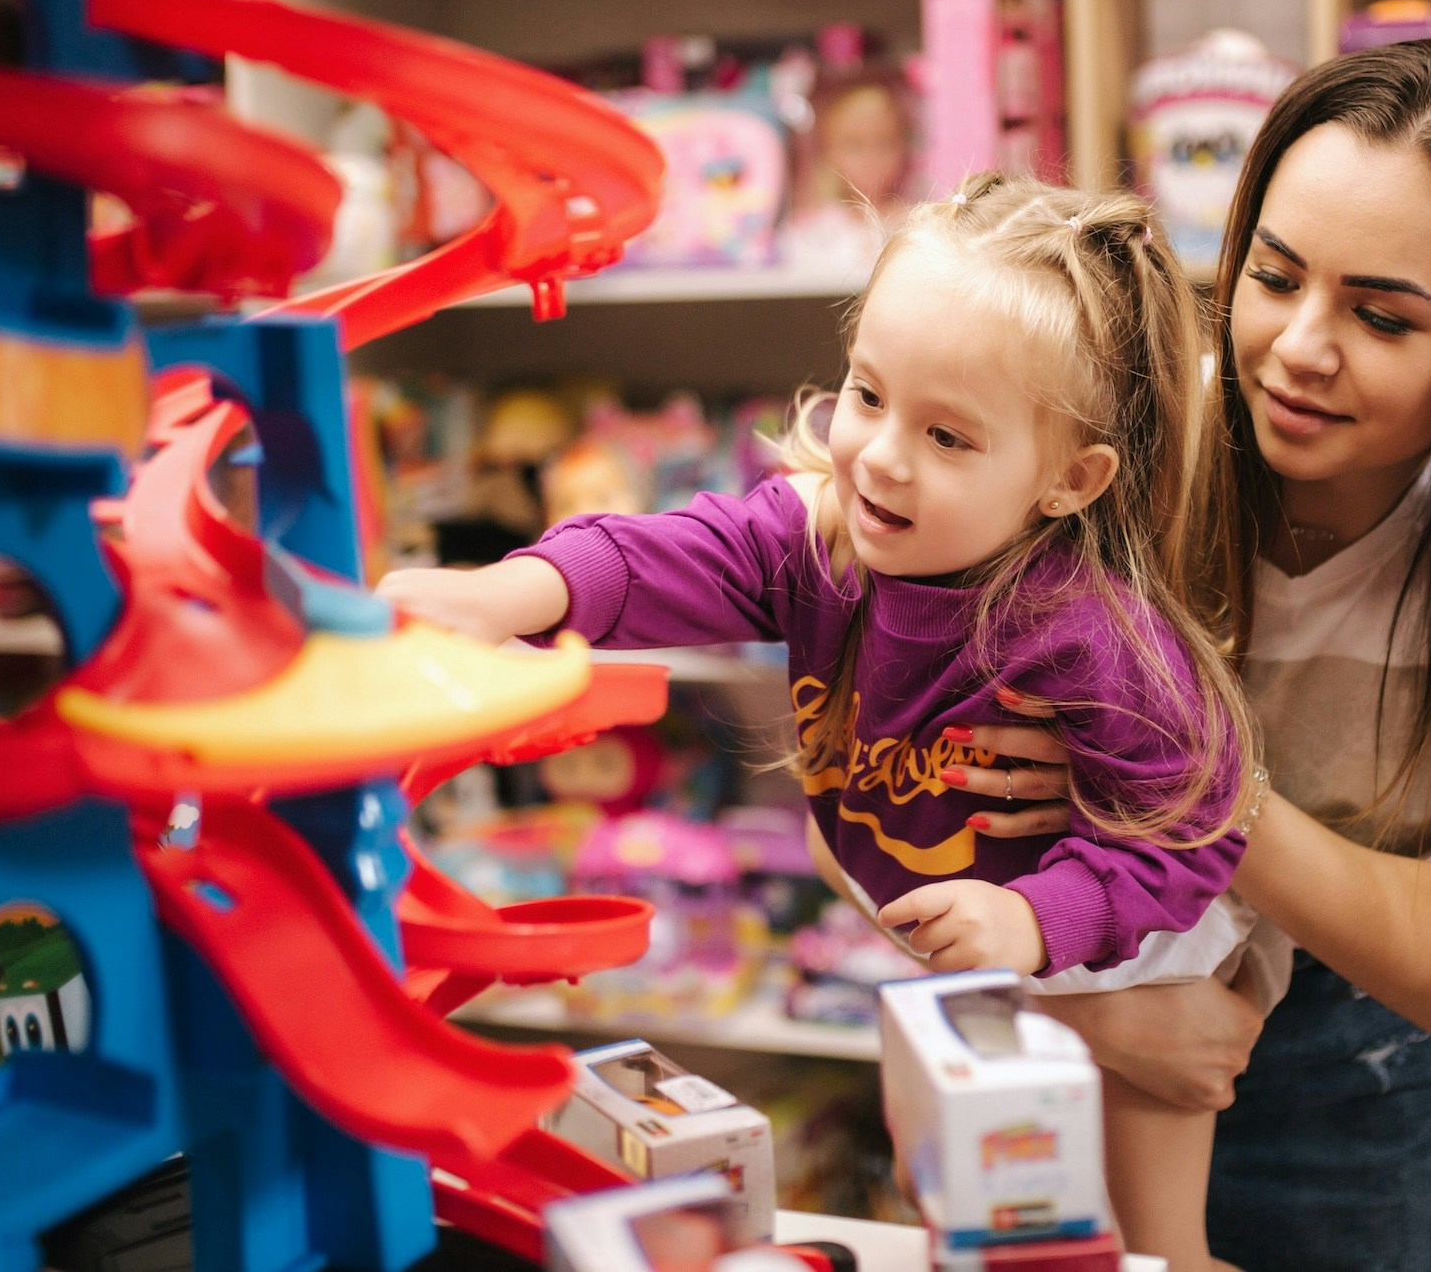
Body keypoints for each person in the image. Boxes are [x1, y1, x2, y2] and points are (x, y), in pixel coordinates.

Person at [380, 174, 1266, 1272]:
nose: (882, 455)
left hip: (1127, 960)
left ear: (1067, 481)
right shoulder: (825, 535)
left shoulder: (1087, 634)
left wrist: (1035, 922)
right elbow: (663, 554)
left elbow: (1193, 832)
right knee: (964, 1202)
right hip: (966, 951)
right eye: (868, 393)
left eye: (949, 437)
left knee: (1147, 1250)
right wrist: (500, 596)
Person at [946, 40, 1431, 1272]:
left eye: (1382, 316)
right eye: (1273, 275)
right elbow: (855, 765)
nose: (1297, 347)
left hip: (1354, 1096)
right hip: (1050, 1037)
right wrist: (1094, 1003)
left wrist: (1196, 797)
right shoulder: (1106, 449)